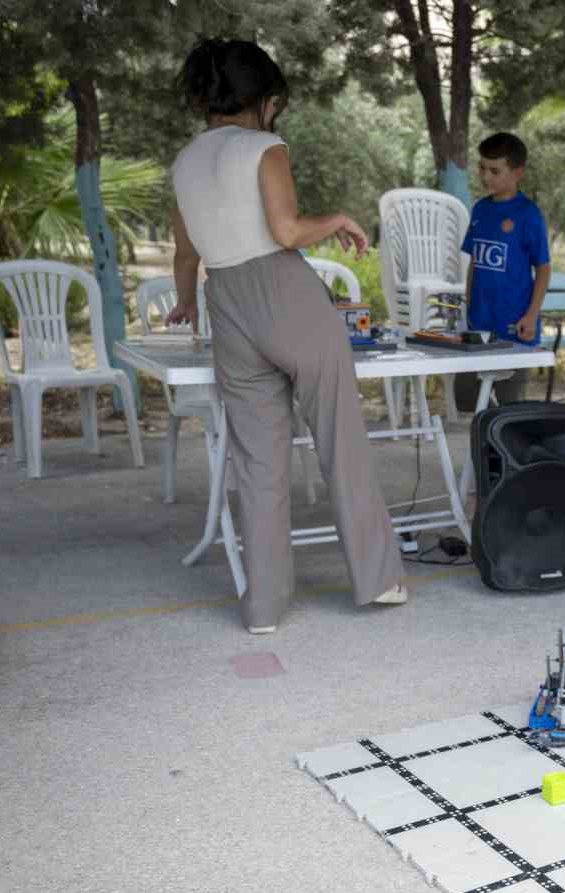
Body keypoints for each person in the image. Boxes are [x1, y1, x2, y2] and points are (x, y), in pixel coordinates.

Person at [168, 39, 406, 635]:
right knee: (339, 440)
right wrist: (338, 220)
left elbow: (185, 253)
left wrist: (181, 305)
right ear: (264, 98)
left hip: (224, 301)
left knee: (256, 462)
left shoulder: (184, 162)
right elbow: (287, 230)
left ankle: (264, 606)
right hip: (285, 295)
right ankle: (377, 580)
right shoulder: (264, 147)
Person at [452, 132, 551, 411]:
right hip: (478, 324)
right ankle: (493, 432)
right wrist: (468, 302)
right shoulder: (480, 209)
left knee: (511, 402)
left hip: (514, 326)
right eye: (482, 168)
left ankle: (504, 444)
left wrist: (531, 315)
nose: (486, 177)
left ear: (517, 172)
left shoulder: (528, 214)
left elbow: (543, 268)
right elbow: (475, 261)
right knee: (466, 399)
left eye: (495, 171)